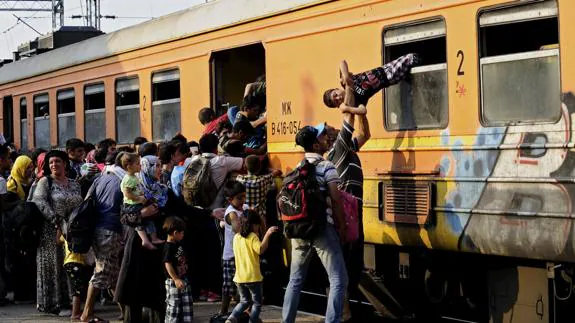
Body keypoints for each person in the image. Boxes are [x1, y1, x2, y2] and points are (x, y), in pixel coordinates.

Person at [282, 125, 348, 323]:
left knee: (295, 280)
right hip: (321, 229)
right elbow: (336, 199)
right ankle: (332, 321)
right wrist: (342, 226)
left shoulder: (297, 168)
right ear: (314, 144)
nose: (325, 140)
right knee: (338, 279)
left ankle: (287, 320)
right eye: (320, 138)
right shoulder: (326, 167)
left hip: (299, 229)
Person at [326, 97, 371, 321]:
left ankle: (342, 310)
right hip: (347, 211)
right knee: (345, 261)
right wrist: (352, 96)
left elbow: (364, 135)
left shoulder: (347, 148)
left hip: (354, 209)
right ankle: (342, 312)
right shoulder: (338, 148)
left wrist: (363, 113)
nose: (332, 128)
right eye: (327, 129)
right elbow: (348, 119)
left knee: (352, 261)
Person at [31, 150, 83, 316]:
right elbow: (38, 201)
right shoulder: (45, 182)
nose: (54, 165)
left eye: (57, 161)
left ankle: (73, 301)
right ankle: (54, 303)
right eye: (51, 162)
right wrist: (56, 220)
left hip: (72, 230)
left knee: (71, 265)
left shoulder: (75, 183)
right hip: (51, 231)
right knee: (54, 266)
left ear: (65, 163)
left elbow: (80, 204)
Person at [80, 151, 126, 323]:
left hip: (97, 229)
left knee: (112, 273)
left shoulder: (100, 178)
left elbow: (87, 200)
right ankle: (86, 314)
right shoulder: (123, 180)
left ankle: (125, 312)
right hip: (110, 230)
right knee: (102, 271)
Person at [226, 210, 277, 323]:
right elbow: (260, 249)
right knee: (257, 302)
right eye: (258, 226)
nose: (258, 229)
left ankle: (230, 319)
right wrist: (267, 234)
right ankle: (253, 320)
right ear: (254, 225)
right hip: (253, 278)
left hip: (239, 278)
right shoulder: (253, 237)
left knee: (244, 302)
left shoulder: (236, 237)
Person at [323, 53, 419, 109]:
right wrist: (347, 109)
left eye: (335, 95)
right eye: (336, 102)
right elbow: (362, 110)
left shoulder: (344, 82)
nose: (338, 98)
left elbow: (342, 62)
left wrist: (345, 75)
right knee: (410, 59)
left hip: (383, 69)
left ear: (336, 89)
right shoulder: (353, 103)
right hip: (388, 78)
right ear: (338, 106)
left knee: (407, 62)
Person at [120, 153, 162, 250]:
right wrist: (140, 201)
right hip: (132, 207)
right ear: (129, 166)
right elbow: (127, 194)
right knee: (140, 223)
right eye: (138, 164)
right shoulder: (129, 179)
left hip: (138, 204)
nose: (140, 166)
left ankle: (153, 238)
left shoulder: (137, 178)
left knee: (147, 221)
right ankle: (146, 240)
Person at [218, 181, 248, 318]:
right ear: (230, 200)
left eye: (244, 196)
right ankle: (223, 312)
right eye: (239, 198)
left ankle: (240, 312)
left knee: (243, 284)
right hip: (231, 255)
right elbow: (238, 229)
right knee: (228, 286)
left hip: (243, 255)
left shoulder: (245, 208)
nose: (243, 200)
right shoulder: (231, 213)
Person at [163, 216, 193, 323]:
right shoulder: (168, 247)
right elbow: (168, 264)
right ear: (175, 233)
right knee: (173, 308)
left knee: (186, 308)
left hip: (184, 280)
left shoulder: (178, 244)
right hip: (173, 282)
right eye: (182, 233)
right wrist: (175, 279)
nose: (183, 235)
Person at [236, 155, 280, 221]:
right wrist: (268, 169)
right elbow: (278, 172)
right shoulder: (263, 179)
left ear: (245, 167)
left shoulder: (239, 179)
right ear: (259, 168)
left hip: (244, 215)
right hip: (260, 216)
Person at [60, 236, 88, 321]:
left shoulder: (66, 234)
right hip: (76, 262)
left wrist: (58, 229)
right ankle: (75, 313)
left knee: (76, 288)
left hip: (68, 262)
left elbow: (58, 240)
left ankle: (76, 312)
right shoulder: (77, 234)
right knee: (77, 290)